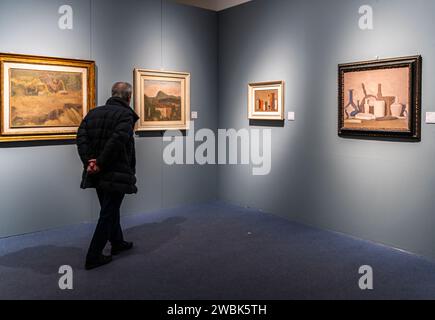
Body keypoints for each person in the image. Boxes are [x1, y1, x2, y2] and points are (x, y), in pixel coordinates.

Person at [77, 82, 139, 270]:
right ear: (129, 97)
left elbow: (81, 138)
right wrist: (101, 162)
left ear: (112, 94)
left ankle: (118, 242)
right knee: (108, 213)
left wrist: (90, 162)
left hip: (96, 171)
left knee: (110, 208)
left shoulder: (93, 113)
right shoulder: (126, 114)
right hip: (114, 171)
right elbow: (118, 141)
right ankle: (93, 255)